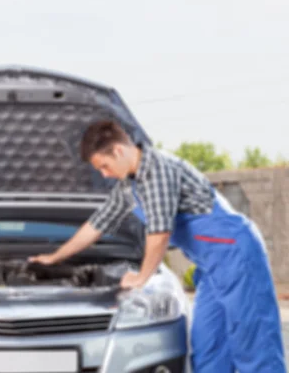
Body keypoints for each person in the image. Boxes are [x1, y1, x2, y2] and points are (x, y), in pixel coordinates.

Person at [29, 119, 286, 372]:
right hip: (210, 268)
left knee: (253, 343)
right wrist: (54, 257)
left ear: (118, 150)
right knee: (209, 348)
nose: (104, 174)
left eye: (104, 166)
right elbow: (97, 224)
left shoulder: (158, 169)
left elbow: (160, 231)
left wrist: (142, 277)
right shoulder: (128, 187)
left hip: (235, 254)